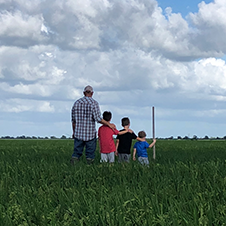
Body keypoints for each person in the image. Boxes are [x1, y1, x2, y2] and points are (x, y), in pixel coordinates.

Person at [70, 85, 115, 165]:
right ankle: (89, 168)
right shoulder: (94, 103)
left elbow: (74, 121)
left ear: (84, 93)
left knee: (76, 154)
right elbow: (98, 118)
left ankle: (73, 167)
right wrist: (109, 124)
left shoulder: (76, 103)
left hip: (78, 133)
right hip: (90, 134)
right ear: (92, 93)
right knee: (90, 154)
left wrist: (74, 132)